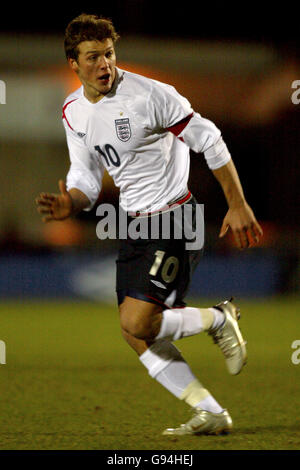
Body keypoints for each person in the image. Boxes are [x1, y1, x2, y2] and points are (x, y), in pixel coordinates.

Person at [35, 13, 263, 436]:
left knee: (140, 321)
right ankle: (209, 410)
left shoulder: (150, 95)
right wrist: (73, 202)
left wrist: (237, 202)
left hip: (176, 217)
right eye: (93, 58)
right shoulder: (72, 111)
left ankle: (217, 319)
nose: (104, 65)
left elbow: (209, 138)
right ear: (73, 63)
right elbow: (84, 174)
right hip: (135, 224)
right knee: (134, 332)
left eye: (109, 54)